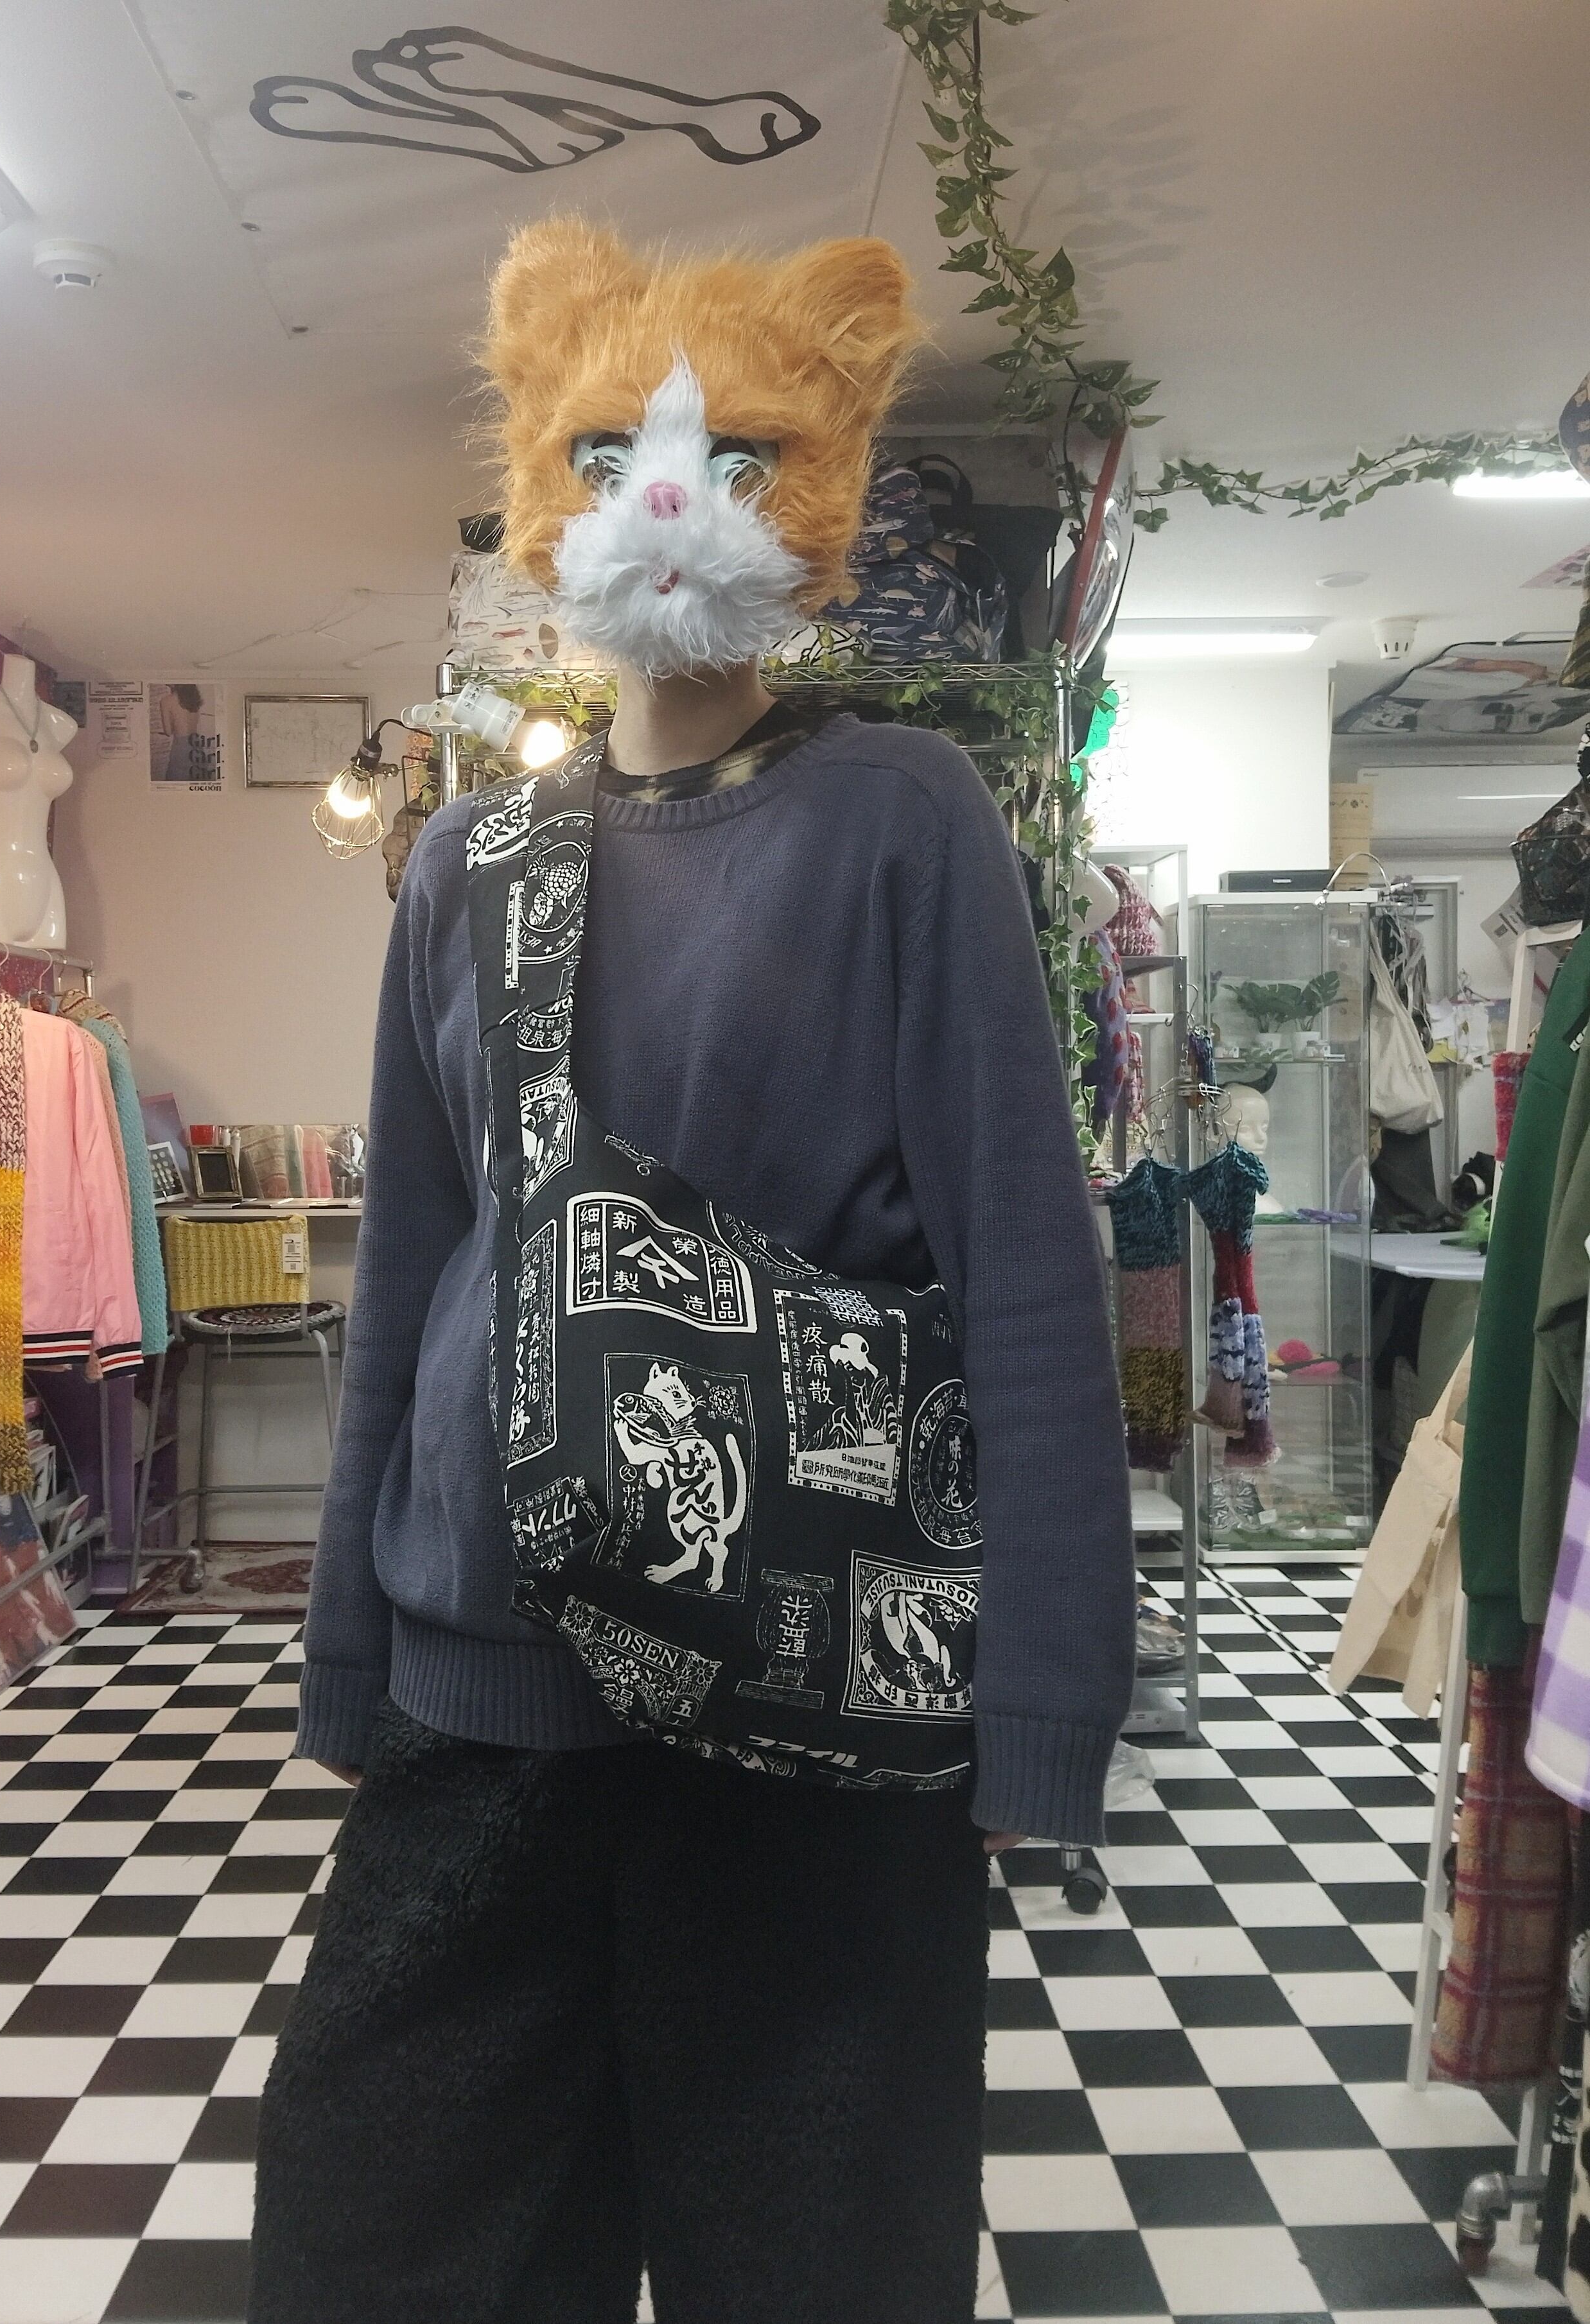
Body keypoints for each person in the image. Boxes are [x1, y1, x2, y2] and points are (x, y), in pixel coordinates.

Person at [249, 219, 1134, 2324]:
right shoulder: (466, 865)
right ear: (538, 485)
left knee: (820, 2269)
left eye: (741, 454)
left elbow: (1024, 1269)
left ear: (823, 478)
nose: (670, 500)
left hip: (811, 1715)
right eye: (613, 453)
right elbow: (420, 1274)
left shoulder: (905, 816)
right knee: (385, 2255)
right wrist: (348, 1654)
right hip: (484, 1706)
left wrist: (1044, 1703)